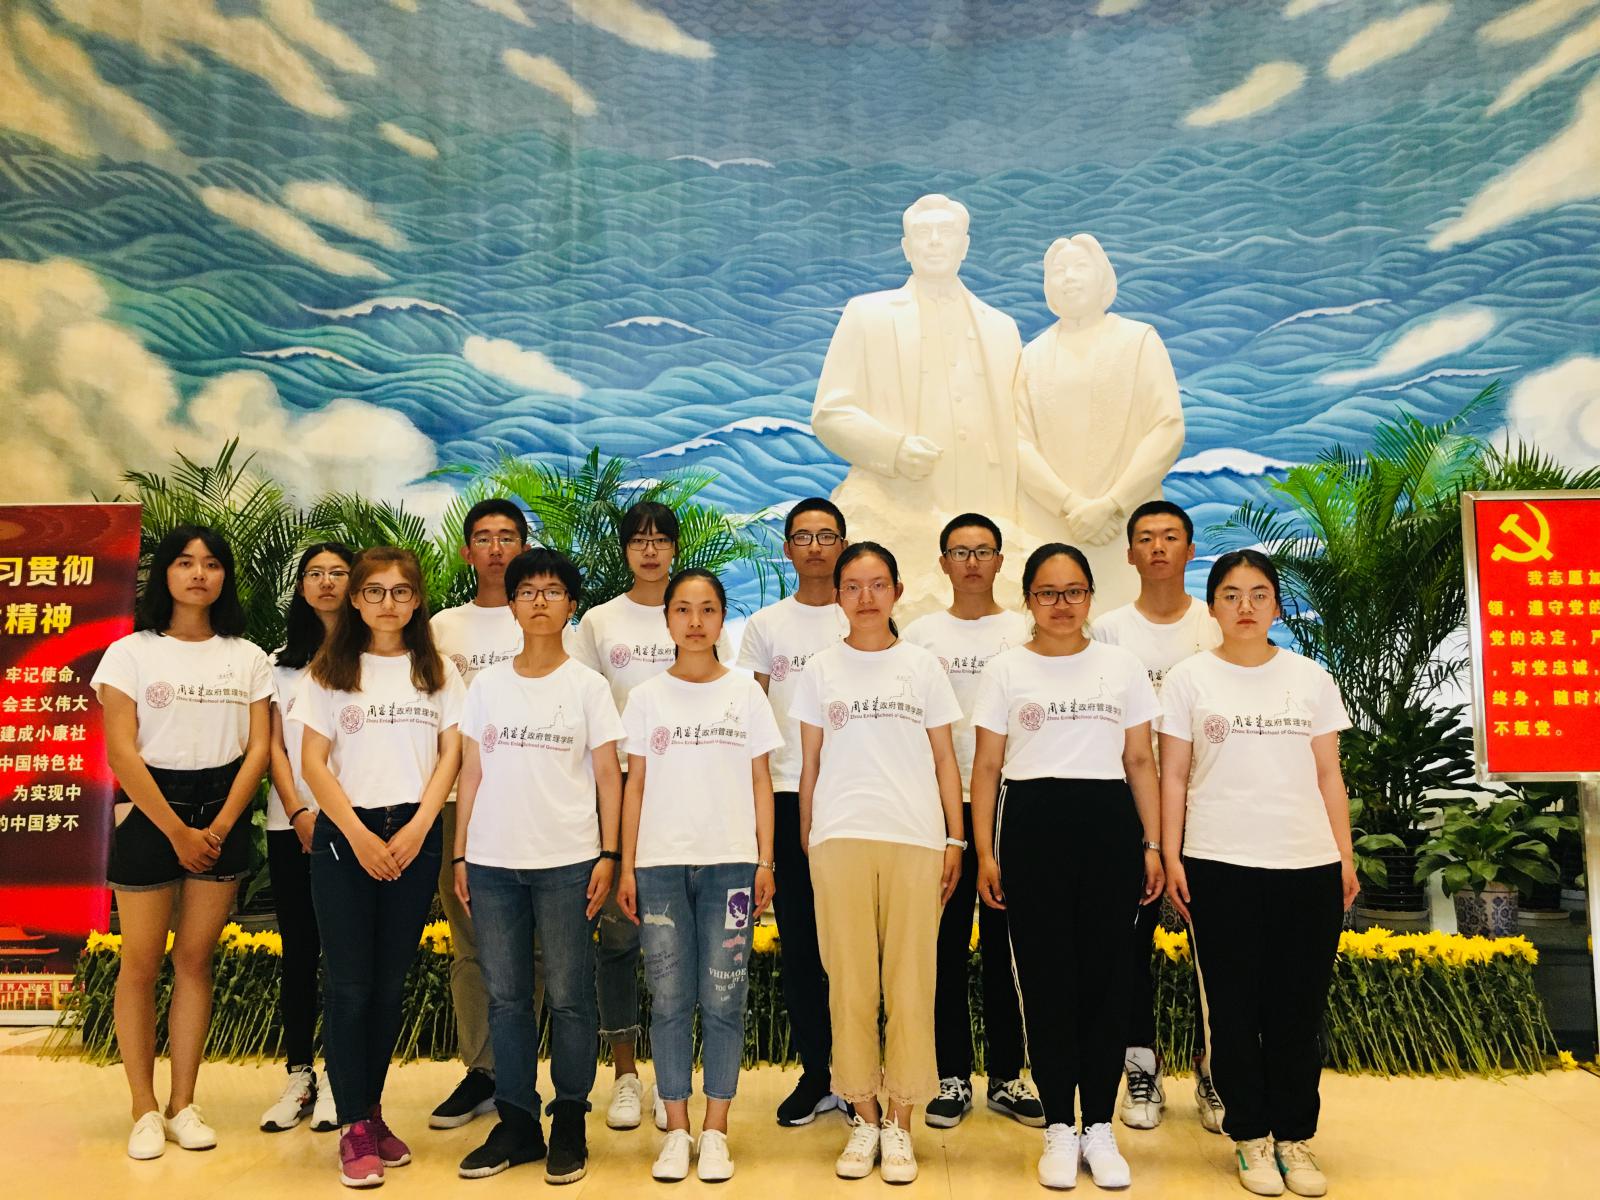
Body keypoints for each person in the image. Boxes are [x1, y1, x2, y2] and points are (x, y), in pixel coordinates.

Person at [1159, 549, 1359, 1199]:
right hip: (1220, 863)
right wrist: (1171, 854)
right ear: (1212, 606)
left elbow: (1328, 775)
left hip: (1307, 862)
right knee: (1235, 1009)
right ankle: (1251, 1138)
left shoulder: (1310, 678)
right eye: (1231, 595)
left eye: (1259, 594)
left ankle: (1294, 1137)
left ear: (1276, 605)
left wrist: (1344, 855)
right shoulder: (1189, 679)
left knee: (1298, 1009)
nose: (1245, 607)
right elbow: (1174, 777)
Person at [971, 543, 1163, 1190]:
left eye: (1074, 591)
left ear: (1090, 596)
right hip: (1032, 825)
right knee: (1046, 980)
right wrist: (987, 853)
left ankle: (1099, 1126)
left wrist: (1152, 844)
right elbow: (987, 768)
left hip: (1109, 825)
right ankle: (1058, 1123)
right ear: (1029, 599)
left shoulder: (1120, 666)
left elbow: (1140, 761)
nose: (1062, 604)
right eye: (1048, 593)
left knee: (1108, 979)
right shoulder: (1006, 669)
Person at [92, 525, 274, 1161]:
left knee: (196, 960)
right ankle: (143, 1108)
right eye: (185, 562)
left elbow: (258, 750)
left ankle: (182, 1104)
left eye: (212, 564)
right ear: (164, 573)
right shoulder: (130, 653)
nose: (199, 574)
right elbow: (121, 749)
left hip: (222, 808)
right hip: (150, 809)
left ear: (225, 577)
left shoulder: (247, 656)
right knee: (140, 962)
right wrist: (175, 830)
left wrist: (217, 829)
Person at [292, 546, 466, 1189]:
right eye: (374, 591)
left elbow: (450, 756)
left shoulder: (438, 670)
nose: (387, 602)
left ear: (417, 601)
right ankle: (352, 1128)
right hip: (347, 837)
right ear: (357, 600)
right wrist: (359, 834)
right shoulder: (330, 669)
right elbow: (313, 763)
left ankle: (371, 1110)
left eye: (400, 591)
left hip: (415, 834)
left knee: (390, 985)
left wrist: (420, 827)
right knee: (350, 986)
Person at [792, 542, 965, 1184]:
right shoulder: (820, 669)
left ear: (896, 591)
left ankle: (901, 1122)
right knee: (850, 985)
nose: (865, 597)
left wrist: (955, 840)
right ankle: (863, 1115)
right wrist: (811, 837)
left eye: (877, 584)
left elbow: (945, 758)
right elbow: (810, 763)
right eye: (853, 586)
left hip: (915, 838)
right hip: (839, 837)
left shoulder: (922, 667)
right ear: (839, 595)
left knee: (913, 985)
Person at [451, 548, 624, 1184]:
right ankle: (518, 1121)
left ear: (571, 605)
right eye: (528, 592)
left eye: (553, 591)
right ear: (513, 605)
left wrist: (609, 854)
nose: (540, 601)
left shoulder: (588, 686)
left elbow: (608, 776)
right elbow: (471, 772)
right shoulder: (488, 685)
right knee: (506, 998)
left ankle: (570, 1117)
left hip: (568, 861)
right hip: (493, 862)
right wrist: (461, 853)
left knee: (573, 998)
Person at [616, 568, 783, 1182]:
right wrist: (628, 865)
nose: (694, 621)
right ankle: (677, 1128)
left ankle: (716, 1130)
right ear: (667, 620)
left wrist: (765, 860)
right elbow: (635, 786)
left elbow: (761, 781)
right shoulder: (646, 697)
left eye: (707, 609)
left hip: (731, 866)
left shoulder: (745, 694)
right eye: (682, 609)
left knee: (723, 997)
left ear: (720, 619)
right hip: (659, 867)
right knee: (668, 1000)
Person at [569, 500, 731, 1131]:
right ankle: (627, 1074)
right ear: (624, 550)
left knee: (685, 952)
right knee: (618, 939)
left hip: (691, 794)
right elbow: (581, 705)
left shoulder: (699, 613)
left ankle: (676, 1082)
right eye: (638, 540)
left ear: (675, 547)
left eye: (661, 539)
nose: (650, 549)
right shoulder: (600, 621)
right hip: (620, 792)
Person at [811, 193, 1025, 618]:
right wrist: (892, 450)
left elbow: (1020, 430)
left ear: (965, 245)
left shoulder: (1001, 328)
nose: (935, 241)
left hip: (988, 505)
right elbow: (830, 413)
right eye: (923, 233)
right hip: (900, 503)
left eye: (946, 231)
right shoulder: (868, 315)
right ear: (907, 247)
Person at [1090, 500, 1223, 1134]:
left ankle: (1216, 1070)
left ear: (1190, 550)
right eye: (1146, 538)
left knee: (1215, 949)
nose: (1159, 547)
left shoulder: (1214, 624)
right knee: (1127, 948)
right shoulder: (1109, 631)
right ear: (1130, 554)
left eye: (1171, 537)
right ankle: (1140, 1067)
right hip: (1132, 807)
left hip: (1209, 807)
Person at [901, 513, 1038, 1130]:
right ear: (943, 563)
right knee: (945, 947)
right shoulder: (920, 636)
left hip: (1013, 801)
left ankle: (1008, 1076)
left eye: (984, 551)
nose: (973, 562)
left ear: (1001, 562)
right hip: (939, 804)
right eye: (960, 551)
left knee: (1010, 945)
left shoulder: (1025, 632)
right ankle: (950, 1075)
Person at [734, 496, 849, 1126]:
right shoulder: (765, 626)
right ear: (787, 549)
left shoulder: (866, 615)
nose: (814, 547)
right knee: (802, 941)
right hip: (783, 793)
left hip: (854, 796)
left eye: (826, 536)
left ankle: (860, 1074)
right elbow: (750, 719)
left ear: (842, 545)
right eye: (802, 537)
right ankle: (817, 1073)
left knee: (856, 944)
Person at [1014, 234, 1186, 614]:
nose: (1069, 277)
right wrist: (1070, 505)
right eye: (1059, 270)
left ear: (1103, 277)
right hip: (1054, 525)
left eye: (1080, 267)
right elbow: (1018, 444)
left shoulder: (1138, 341)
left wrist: (1112, 504)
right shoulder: (1032, 356)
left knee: (1133, 624)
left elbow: (1167, 428)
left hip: (1127, 524)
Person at [428, 500, 530, 1130]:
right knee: (469, 940)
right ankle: (482, 1069)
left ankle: (522, 1068)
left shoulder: (547, 618)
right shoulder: (442, 628)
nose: (496, 548)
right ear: (467, 552)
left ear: (524, 548)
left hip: (534, 803)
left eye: (507, 537)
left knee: (533, 946)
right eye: (484, 539)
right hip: (456, 804)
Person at [260, 542, 354, 1135]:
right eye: (314, 574)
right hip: (290, 822)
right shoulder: (280, 664)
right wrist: (297, 810)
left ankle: (342, 1077)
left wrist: (337, 817)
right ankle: (299, 1074)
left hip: (356, 826)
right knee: (299, 950)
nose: (326, 583)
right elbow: (271, 745)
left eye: (338, 573)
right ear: (300, 587)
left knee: (346, 955)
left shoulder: (373, 658)